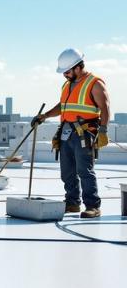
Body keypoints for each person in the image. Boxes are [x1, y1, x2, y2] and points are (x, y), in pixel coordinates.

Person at [31, 48, 109, 218]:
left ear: (78, 67)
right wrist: (44, 116)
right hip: (66, 132)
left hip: (85, 133)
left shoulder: (94, 83)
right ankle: (72, 203)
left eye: (67, 71)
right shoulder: (67, 84)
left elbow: (105, 107)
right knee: (67, 171)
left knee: (84, 170)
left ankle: (93, 206)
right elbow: (62, 106)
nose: (65, 75)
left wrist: (102, 131)